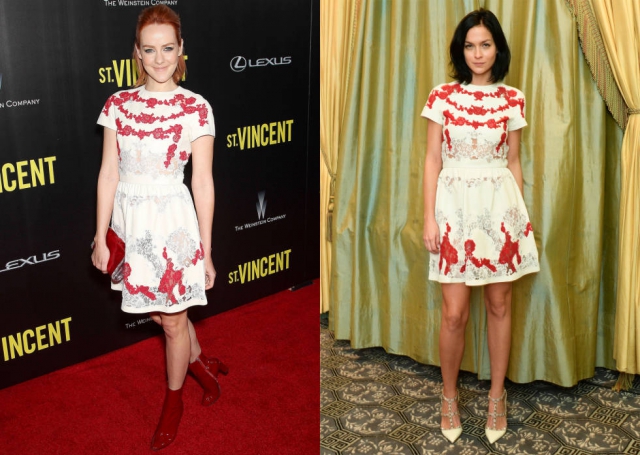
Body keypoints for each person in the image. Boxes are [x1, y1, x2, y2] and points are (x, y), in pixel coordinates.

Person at [91, 5, 228, 451]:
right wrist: (100, 235)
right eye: (149, 50)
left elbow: (202, 182)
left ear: (181, 48)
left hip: (173, 226)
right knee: (159, 312)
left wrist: (206, 250)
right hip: (130, 226)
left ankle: (174, 401)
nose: (159, 58)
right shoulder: (118, 104)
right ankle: (201, 365)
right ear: (137, 52)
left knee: (173, 322)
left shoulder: (196, 107)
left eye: (168, 48)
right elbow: (108, 173)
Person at [421, 9, 539, 445]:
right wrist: (429, 217)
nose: (477, 53)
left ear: (497, 49)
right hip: (453, 208)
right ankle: (449, 397)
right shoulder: (442, 96)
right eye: (470, 46)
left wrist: (518, 221)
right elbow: (432, 159)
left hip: (499, 208)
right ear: (461, 51)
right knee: (454, 313)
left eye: (485, 44)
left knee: (499, 304)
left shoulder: (513, 98)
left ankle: (496, 397)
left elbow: (514, 162)